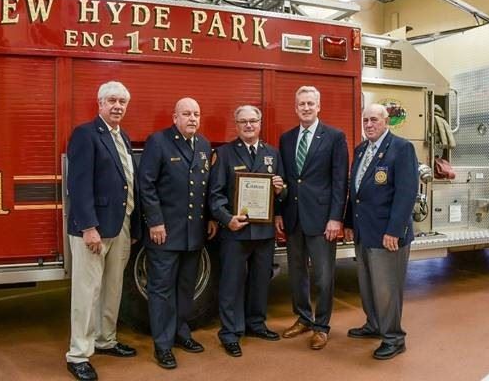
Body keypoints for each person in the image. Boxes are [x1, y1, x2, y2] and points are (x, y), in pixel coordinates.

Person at [65, 81, 141, 381]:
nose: (118, 106)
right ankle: (78, 354)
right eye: (112, 100)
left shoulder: (123, 135)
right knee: (87, 292)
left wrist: (132, 225)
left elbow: (127, 183)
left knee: (112, 288)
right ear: (100, 104)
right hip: (94, 228)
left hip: (120, 224)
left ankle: (106, 339)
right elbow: (78, 184)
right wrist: (88, 227)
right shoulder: (86, 134)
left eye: (123, 101)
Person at [139, 97, 218, 369]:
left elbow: (205, 188)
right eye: (186, 114)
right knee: (161, 289)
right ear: (175, 117)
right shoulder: (158, 142)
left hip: (194, 233)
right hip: (165, 233)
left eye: (196, 113)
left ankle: (181, 333)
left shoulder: (205, 145)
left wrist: (210, 219)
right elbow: (146, 185)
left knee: (186, 288)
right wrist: (155, 222)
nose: (192, 118)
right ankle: (162, 345)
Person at [209, 105, 286, 358]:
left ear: (260, 123)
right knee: (231, 283)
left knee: (260, 281)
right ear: (236, 125)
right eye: (243, 122)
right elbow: (215, 195)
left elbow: (282, 193)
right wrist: (226, 219)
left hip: (263, 233)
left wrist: (278, 190)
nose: (249, 126)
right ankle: (230, 333)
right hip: (235, 231)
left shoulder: (272, 154)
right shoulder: (224, 153)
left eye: (253, 121)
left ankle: (256, 324)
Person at [343, 103, 418, 360]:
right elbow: (356, 192)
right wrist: (349, 224)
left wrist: (394, 230)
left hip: (388, 234)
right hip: (365, 231)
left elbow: (407, 193)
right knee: (368, 286)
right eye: (365, 120)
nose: (369, 125)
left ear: (386, 121)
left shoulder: (402, 148)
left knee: (387, 289)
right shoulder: (362, 149)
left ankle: (394, 338)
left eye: (374, 119)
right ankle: (374, 325)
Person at [276, 86, 348, 350]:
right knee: (296, 274)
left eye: (310, 103)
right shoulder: (286, 139)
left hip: (322, 220)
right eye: (301, 104)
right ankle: (303, 317)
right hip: (293, 217)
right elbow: (282, 180)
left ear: (319, 106)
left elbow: (340, 182)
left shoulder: (334, 137)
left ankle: (321, 326)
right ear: (295, 108)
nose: (305, 108)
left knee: (323, 276)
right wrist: (277, 213)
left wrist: (335, 218)